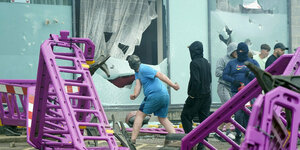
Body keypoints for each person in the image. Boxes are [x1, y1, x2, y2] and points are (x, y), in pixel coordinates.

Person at [127, 55, 180, 144]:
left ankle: (132, 140)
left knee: (140, 115)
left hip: (154, 95)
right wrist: (135, 94)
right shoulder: (137, 72)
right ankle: (176, 140)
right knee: (163, 118)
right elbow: (138, 85)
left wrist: (173, 85)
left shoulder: (143, 68)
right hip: (164, 95)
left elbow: (160, 74)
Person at [222, 42, 260, 144]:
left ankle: (249, 136)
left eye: (243, 51)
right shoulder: (231, 63)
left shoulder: (253, 62)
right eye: (239, 50)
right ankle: (238, 134)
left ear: (247, 51)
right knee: (238, 114)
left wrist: (251, 74)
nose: (241, 52)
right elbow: (224, 75)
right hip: (237, 93)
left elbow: (260, 75)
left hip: (250, 94)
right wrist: (233, 80)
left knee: (249, 115)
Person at [180, 41, 211, 149]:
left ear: (193, 52)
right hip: (207, 96)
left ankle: (191, 140)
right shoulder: (206, 62)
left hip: (197, 96)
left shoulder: (194, 63)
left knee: (185, 116)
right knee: (204, 120)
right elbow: (210, 79)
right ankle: (202, 144)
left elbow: (196, 81)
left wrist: (192, 95)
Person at [215, 42, 237, 141]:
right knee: (229, 108)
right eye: (236, 51)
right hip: (223, 86)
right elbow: (217, 72)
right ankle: (226, 131)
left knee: (231, 109)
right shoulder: (222, 59)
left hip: (233, 88)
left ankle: (220, 130)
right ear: (231, 51)